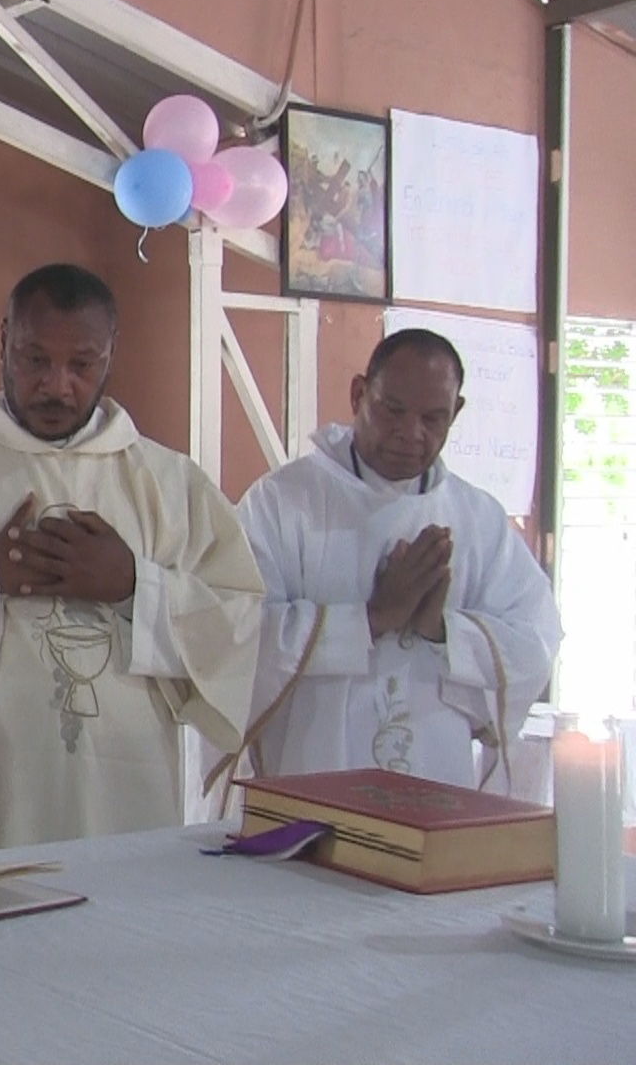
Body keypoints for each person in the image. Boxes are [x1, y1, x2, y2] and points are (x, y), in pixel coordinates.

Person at [0, 263, 265, 853]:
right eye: (35, 359)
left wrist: (135, 587)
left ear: (111, 355)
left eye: (81, 364)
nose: (57, 384)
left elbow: (241, 624)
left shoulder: (171, 487)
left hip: (121, 810)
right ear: (4, 344)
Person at [235, 328, 561, 789]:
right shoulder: (281, 503)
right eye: (393, 411)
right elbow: (233, 636)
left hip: (435, 784)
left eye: (434, 418)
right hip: (312, 782)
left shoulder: (478, 520)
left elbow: (537, 642)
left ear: (456, 414)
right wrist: (370, 618)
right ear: (358, 394)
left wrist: (444, 632)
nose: (411, 433)